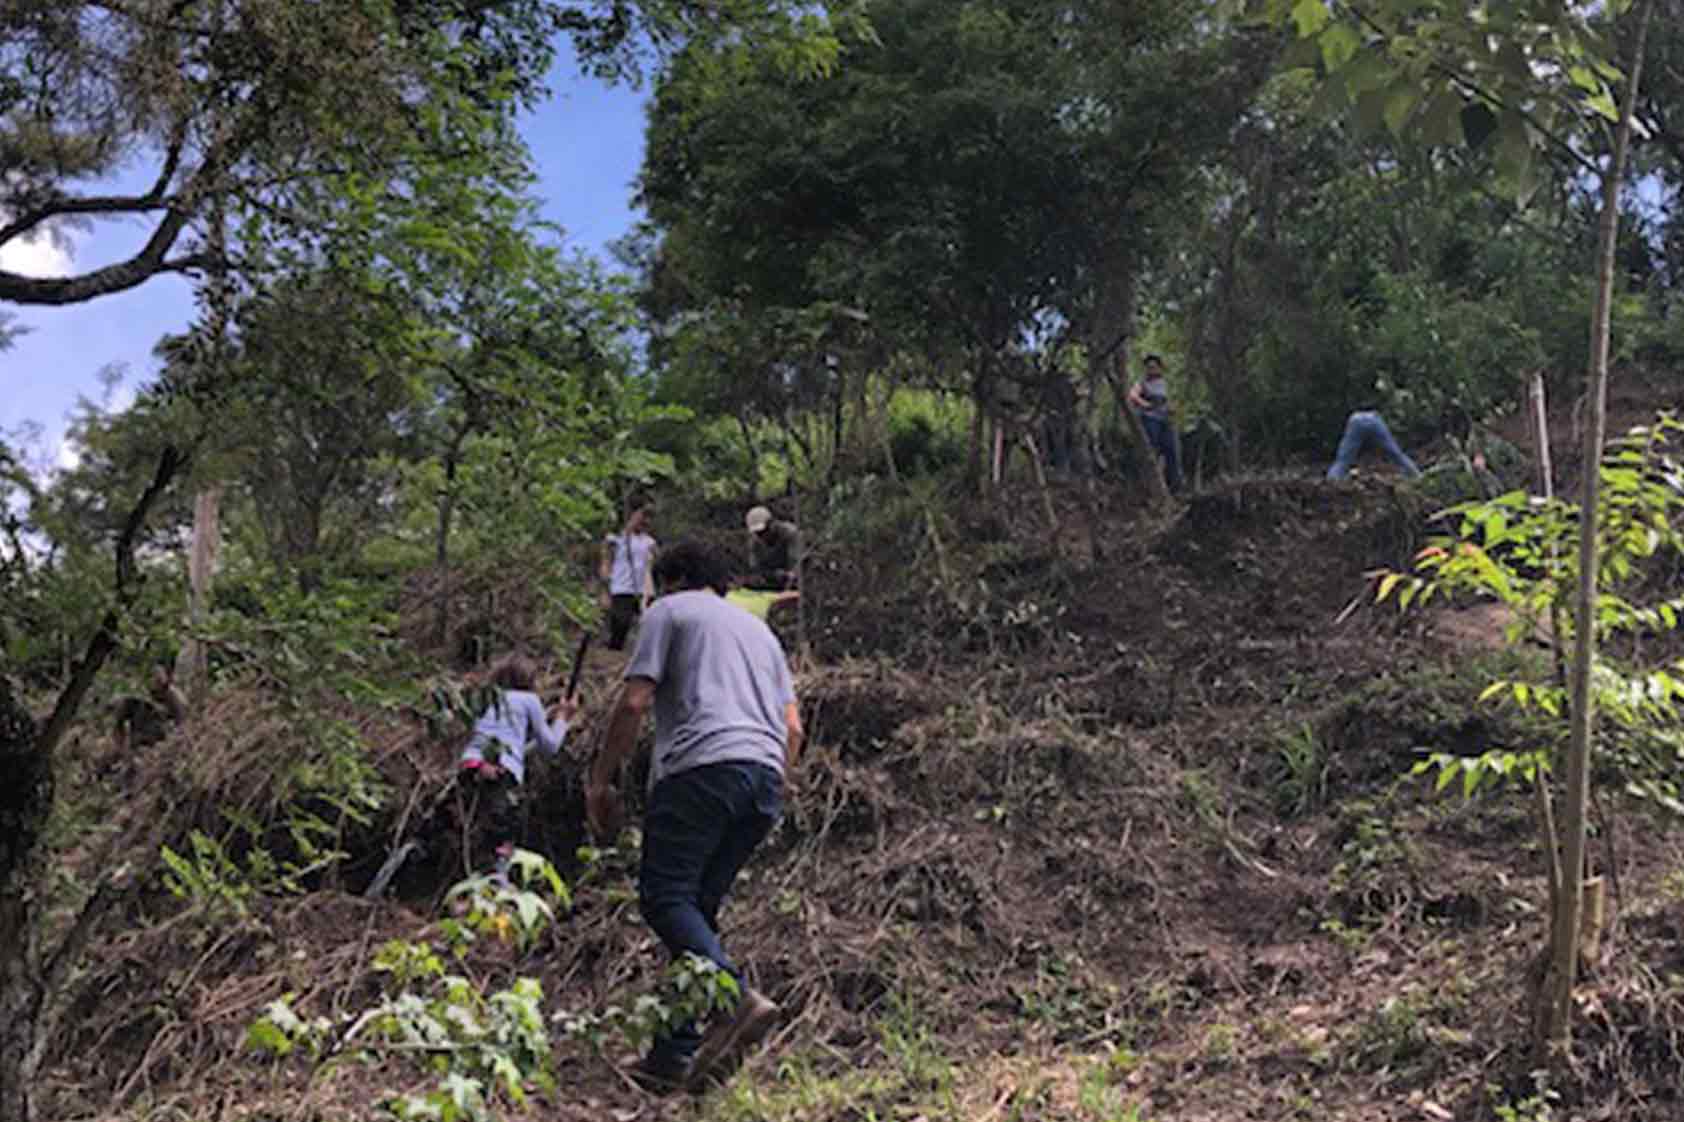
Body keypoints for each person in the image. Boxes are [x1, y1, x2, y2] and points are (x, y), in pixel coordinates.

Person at [586, 541, 803, 1093]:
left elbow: (635, 702)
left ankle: (735, 1001)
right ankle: (671, 1057)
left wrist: (601, 780)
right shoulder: (762, 634)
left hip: (701, 770)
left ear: (674, 578)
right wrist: (777, 780)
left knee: (663, 898)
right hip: (761, 779)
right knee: (695, 913)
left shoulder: (670, 611)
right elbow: (794, 729)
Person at [459, 654, 578, 875]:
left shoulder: (485, 698)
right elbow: (550, 747)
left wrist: (546, 717)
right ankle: (498, 883)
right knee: (504, 834)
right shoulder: (529, 700)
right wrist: (563, 718)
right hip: (500, 770)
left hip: (471, 765)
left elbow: (512, 742)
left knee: (476, 827)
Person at [600, 504, 657, 651]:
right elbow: (607, 561)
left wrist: (650, 589)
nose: (643, 521)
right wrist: (605, 587)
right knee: (620, 623)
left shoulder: (649, 542)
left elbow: (652, 564)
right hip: (620, 586)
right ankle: (613, 650)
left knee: (642, 625)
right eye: (640, 517)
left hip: (639, 590)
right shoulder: (616, 539)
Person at [1126, 354, 1183, 492]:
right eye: (1149, 367)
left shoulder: (1163, 383)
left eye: (1154, 367)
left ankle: (1175, 486)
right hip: (1150, 419)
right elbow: (1132, 395)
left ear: (1159, 368)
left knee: (1171, 450)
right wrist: (1144, 404)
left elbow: (1169, 401)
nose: (1151, 370)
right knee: (1152, 452)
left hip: (1165, 420)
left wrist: (1172, 409)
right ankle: (1148, 485)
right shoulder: (1142, 382)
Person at [113, 661, 188, 754]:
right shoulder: (149, 694)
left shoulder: (174, 696)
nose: (154, 680)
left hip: (162, 732)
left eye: (157, 678)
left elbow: (181, 723)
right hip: (144, 731)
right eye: (152, 677)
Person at [1325, 410, 1421, 480]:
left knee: (1343, 459)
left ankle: (1332, 480)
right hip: (1374, 418)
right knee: (1396, 454)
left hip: (1355, 419)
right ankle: (1416, 476)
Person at [744, 505, 800, 591]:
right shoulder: (754, 542)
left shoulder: (790, 533)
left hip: (794, 582)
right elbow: (756, 567)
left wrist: (789, 575)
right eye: (757, 533)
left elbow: (796, 562)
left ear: (772, 523)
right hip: (771, 581)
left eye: (763, 531)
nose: (761, 536)